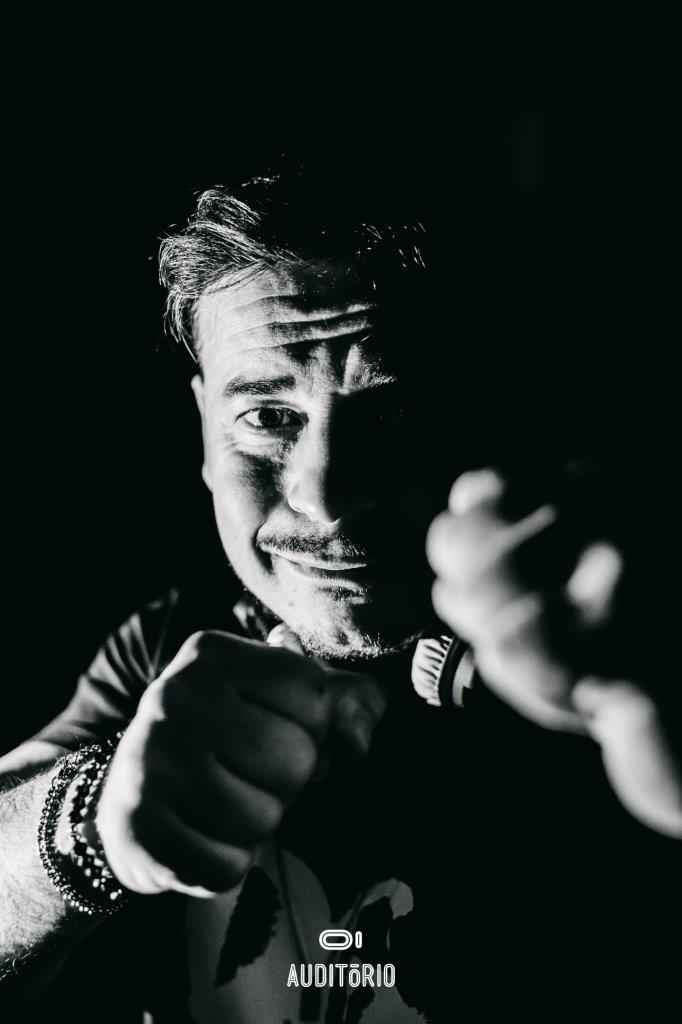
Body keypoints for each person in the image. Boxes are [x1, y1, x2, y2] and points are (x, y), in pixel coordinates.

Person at [1, 168, 679, 1023]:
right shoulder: (174, 644)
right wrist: (88, 822)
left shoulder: (612, 637)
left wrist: (637, 715)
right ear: (206, 432)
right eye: (268, 417)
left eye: (397, 416)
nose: (323, 497)